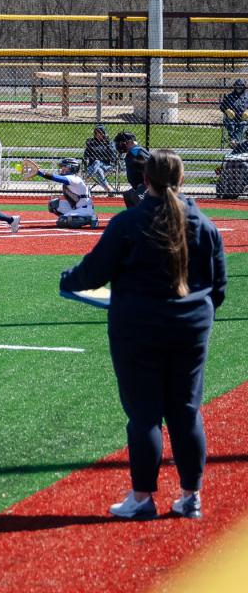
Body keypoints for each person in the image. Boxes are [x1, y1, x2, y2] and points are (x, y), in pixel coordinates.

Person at [60, 150, 226, 520]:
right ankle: (191, 496)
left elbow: (93, 272)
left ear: (145, 181)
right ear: (182, 180)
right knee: (185, 410)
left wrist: (67, 279)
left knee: (145, 414)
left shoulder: (129, 222)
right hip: (191, 326)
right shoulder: (203, 223)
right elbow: (219, 288)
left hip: (137, 326)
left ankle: (142, 498)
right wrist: (196, 313)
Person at [32, 157, 97, 228]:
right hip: (76, 207)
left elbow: (56, 178)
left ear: (72, 168)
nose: (62, 168)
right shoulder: (71, 178)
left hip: (85, 210)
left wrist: (40, 172)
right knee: (53, 204)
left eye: (65, 166)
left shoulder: (74, 178)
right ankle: (70, 217)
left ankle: (91, 219)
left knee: (63, 221)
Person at [114, 131, 151, 209]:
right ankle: (135, 219)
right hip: (139, 186)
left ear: (130, 142)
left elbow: (150, 167)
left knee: (137, 196)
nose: (119, 145)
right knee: (128, 195)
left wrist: (147, 184)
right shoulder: (132, 152)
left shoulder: (137, 151)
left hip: (147, 185)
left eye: (122, 143)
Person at [83, 124, 118, 196]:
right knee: (98, 169)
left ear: (104, 133)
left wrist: (108, 145)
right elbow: (85, 156)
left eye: (100, 133)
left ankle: (86, 180)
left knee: (97, 162)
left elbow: (113, 156)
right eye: (97, 133)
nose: (98, 135)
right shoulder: (91, 143)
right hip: (91, 166)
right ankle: (109, 190)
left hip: (106, 166)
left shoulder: (109, 143)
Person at [219, 79, 248, 147]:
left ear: (244, 87)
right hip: (231, 118)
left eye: (240, 86)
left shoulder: (247, 96)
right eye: (237, 86)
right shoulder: (230, 96)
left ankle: (233, 141)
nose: (239, 88)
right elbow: (222, 106)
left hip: (244, 118)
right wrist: (227, 110)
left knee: (243, 124)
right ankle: (235, 142)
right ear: (234, 87)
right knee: (231, 124)